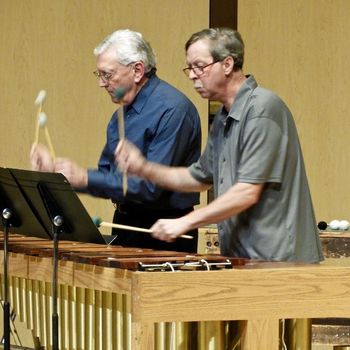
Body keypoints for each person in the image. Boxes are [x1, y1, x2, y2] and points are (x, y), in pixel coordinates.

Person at [116, 27, 324, 263]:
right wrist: (144, 168)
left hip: (279, 259)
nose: (193, 75)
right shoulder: (224, 118)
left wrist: (186, 222)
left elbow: (247, 192)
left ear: (227, 64)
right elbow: (199, 178)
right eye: (190, 68)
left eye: (199, 66)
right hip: (243, 256)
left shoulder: (262, 109)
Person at [30, 29, 201, 253]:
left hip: (165, 231)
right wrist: (62, 175)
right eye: (99, 74)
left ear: (137, 70)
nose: (102, 83)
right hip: (124, 222)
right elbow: (107, 177)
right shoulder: (120, 115)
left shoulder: (174, 110)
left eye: (107, 74)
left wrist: (84, 177)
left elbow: (151, 188)